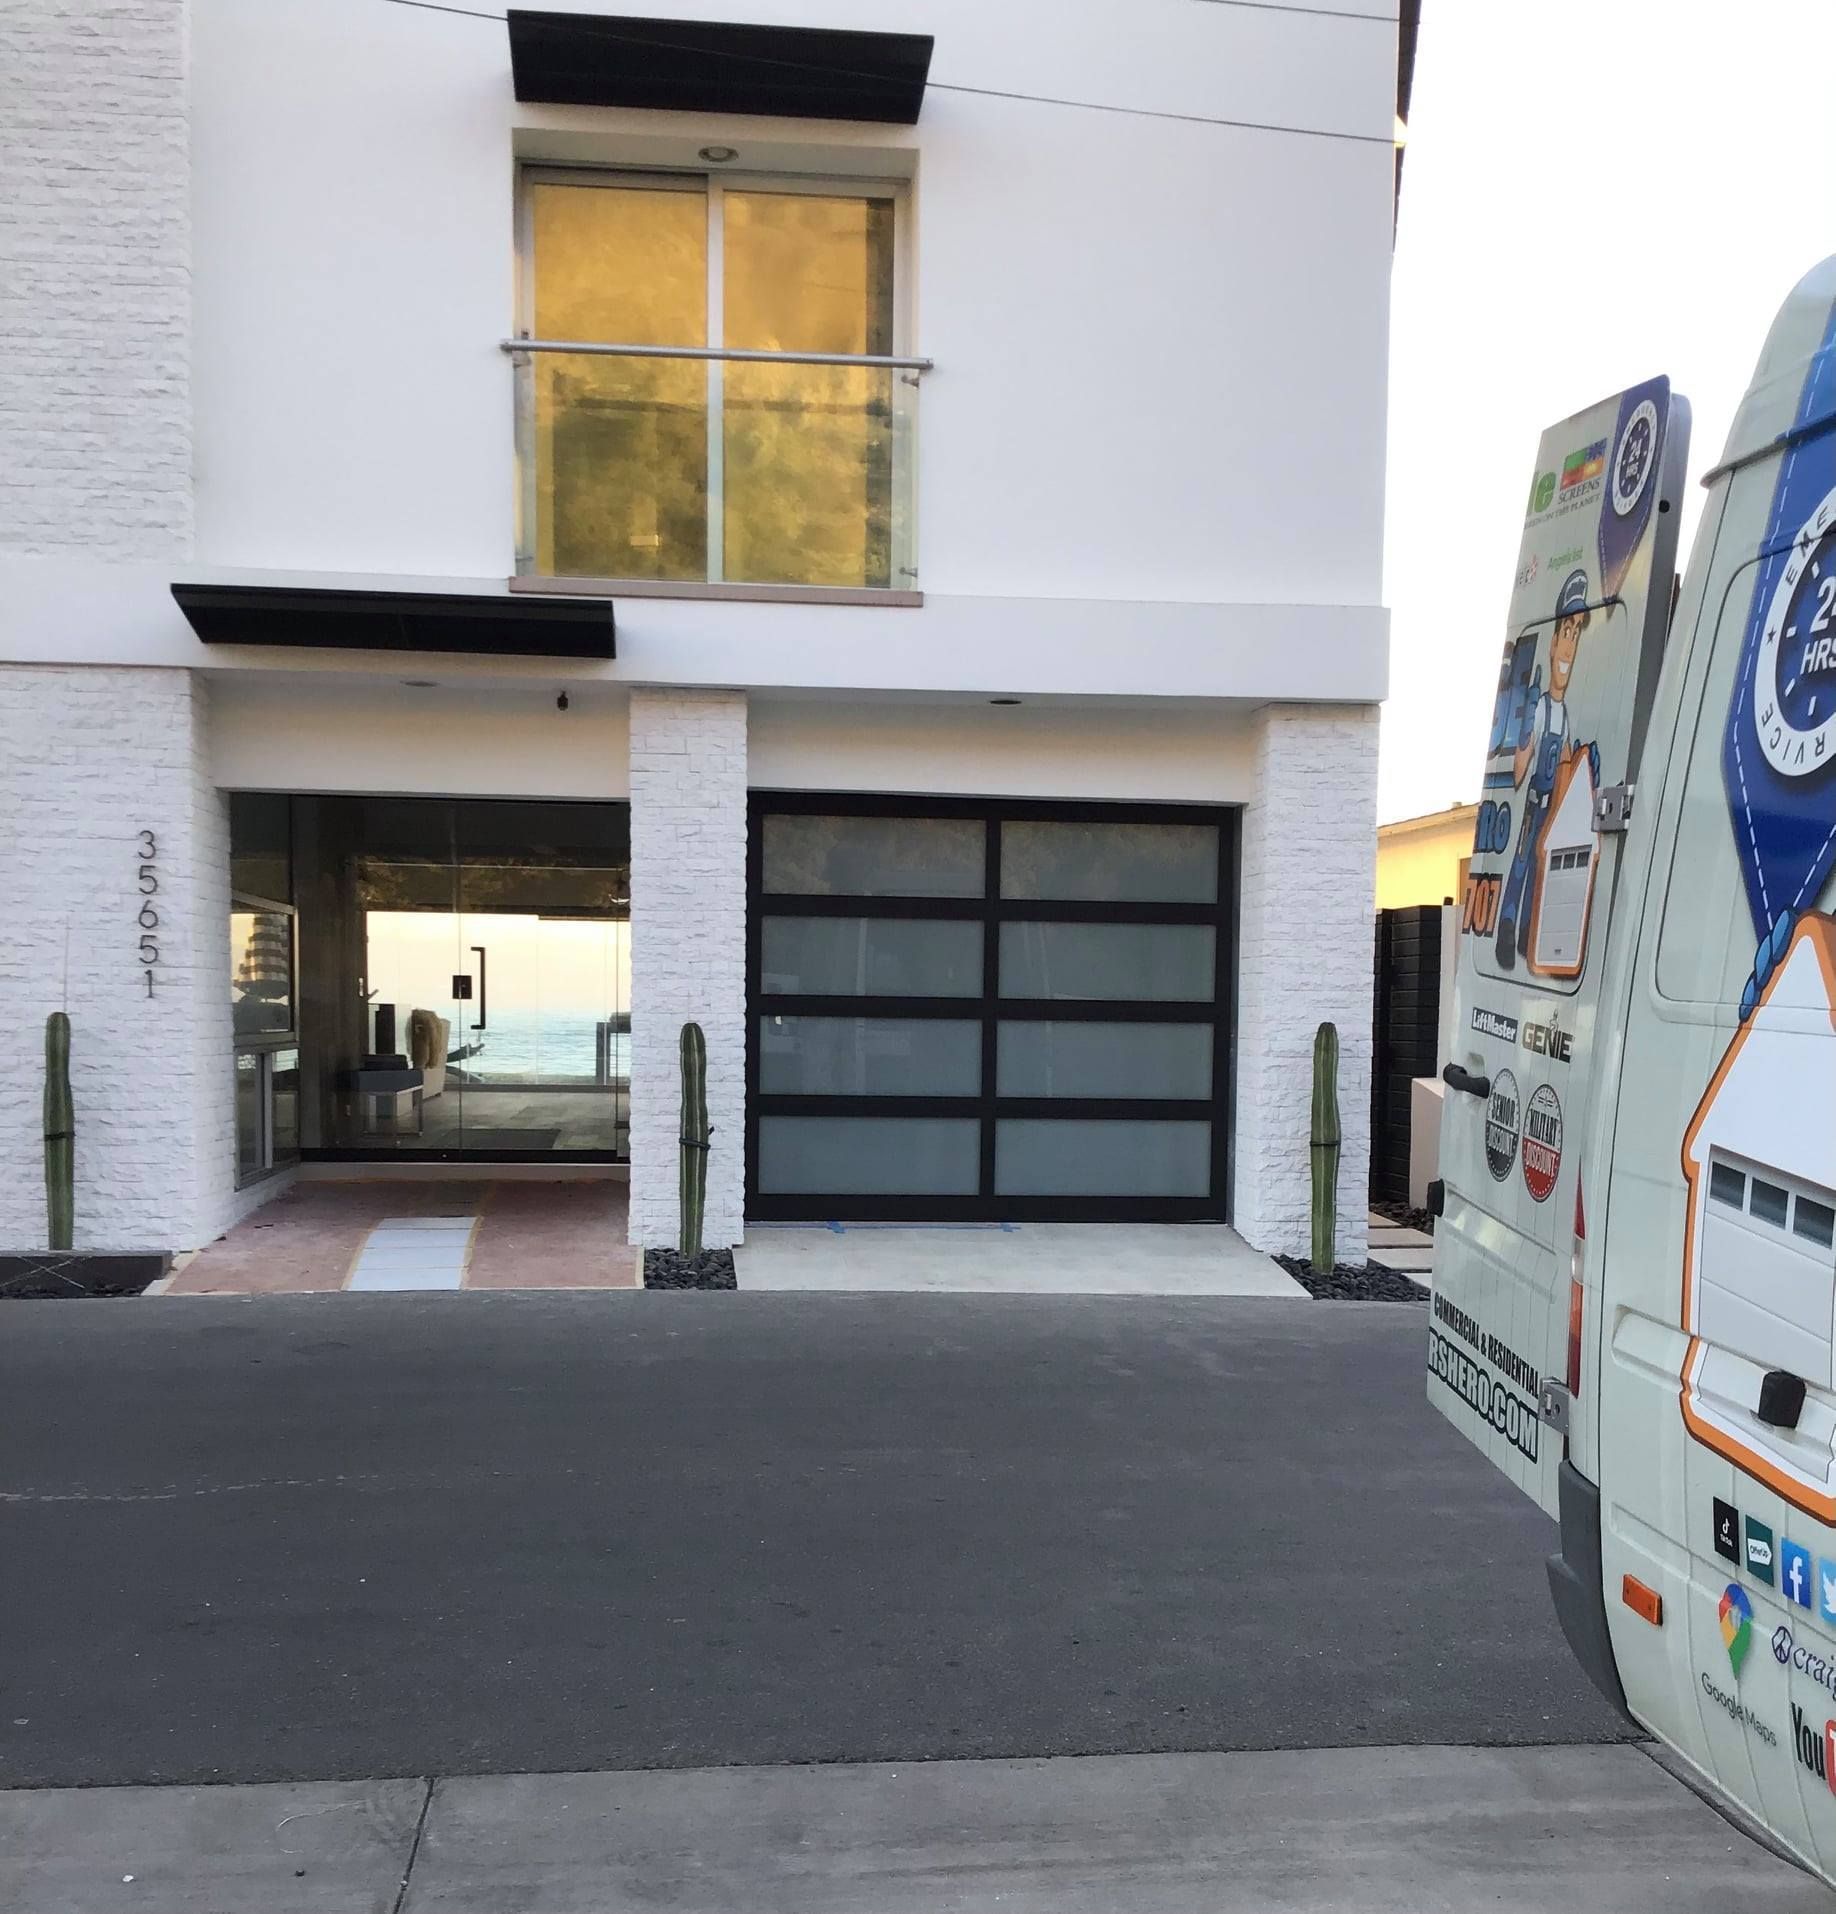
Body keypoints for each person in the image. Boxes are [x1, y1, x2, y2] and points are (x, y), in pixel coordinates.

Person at [1495, 568, 1594, 970]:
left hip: (1554, 808)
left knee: (1540, 868)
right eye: (1565, 633)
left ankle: (1524, 937)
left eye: (1576, 634)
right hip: (1535, 806)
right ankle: (1505, 931)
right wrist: (1522, 742)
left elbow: (1569, 759)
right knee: (1520, 864)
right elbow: (1520, 769)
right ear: (1552, 645)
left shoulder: (1565, 714)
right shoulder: (1539, 710)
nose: (1569, 645)